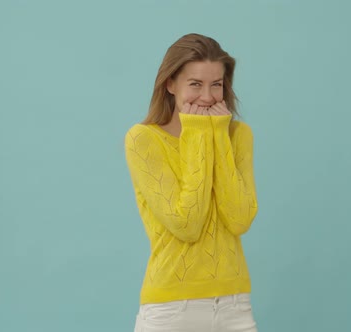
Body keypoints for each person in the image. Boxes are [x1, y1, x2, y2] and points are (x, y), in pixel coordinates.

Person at [124, 33, 259, 332]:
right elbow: (187, 222)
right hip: (171, 309)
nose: (208, 97)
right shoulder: (143, 140)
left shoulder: (238, 135)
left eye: (216, 85)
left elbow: (239, 219)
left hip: (234, 306)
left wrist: (218, 137)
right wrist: (198, 133)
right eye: (195, 84)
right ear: (170, 84)